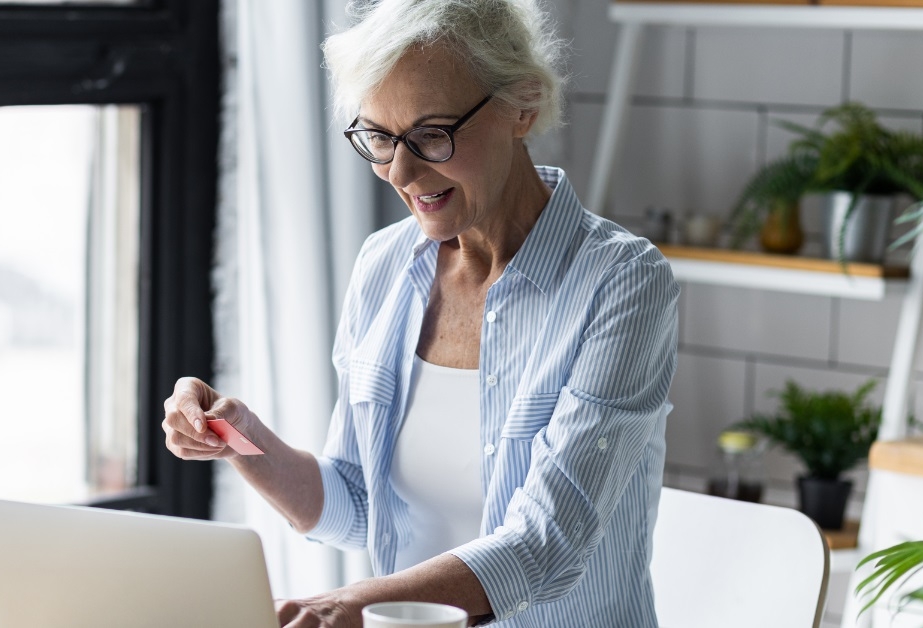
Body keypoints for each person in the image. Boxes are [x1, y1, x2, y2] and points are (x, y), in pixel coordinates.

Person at [162, 0, 679, 625]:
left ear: (524, 105)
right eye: (379, 138)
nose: (401, 173)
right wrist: (238, 439)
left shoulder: (621, 282)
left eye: (433, 133)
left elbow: (546, 543)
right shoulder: (384, 265)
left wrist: (347, 601)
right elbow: (360, 505)